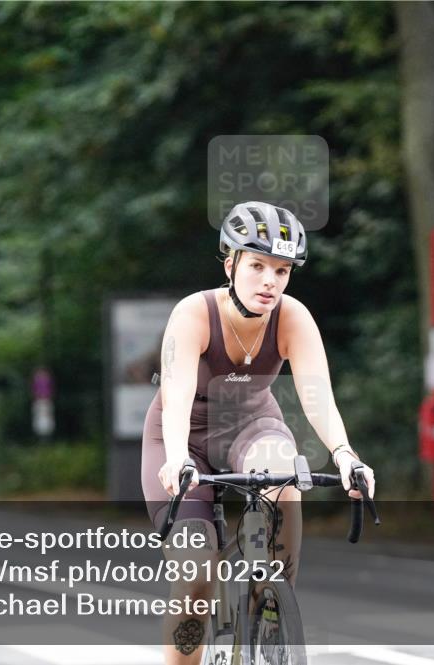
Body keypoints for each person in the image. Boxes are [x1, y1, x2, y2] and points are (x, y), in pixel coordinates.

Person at [140, 201, 376, 664]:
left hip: (252, 425)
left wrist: (346, 455)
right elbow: (177, 393)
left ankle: (269, 608)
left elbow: (317, 396)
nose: (270, 281)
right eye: (257, 266)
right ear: (231, 265)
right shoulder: (194, 314)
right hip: (183, 436)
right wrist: (177, 457)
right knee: (195, 580)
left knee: (286, 478)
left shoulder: (292, 317)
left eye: (282, 271)